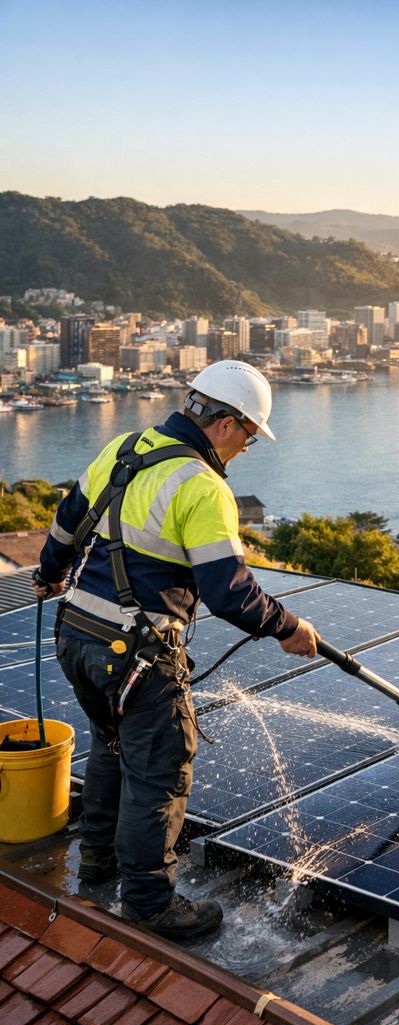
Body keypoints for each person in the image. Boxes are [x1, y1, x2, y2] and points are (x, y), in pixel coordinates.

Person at [33, 360, 318, 940]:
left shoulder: (125, 446)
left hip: (76, 638)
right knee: (159, 770)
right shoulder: (202, 486)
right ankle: (149, 903)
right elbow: (229, 592)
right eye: (248, 437)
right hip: (135, 655)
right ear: (226, 424)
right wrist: (287, 627)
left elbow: (67, 523)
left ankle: (97, 860)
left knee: (111, 746)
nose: (245, 449)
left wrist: (48, 573)